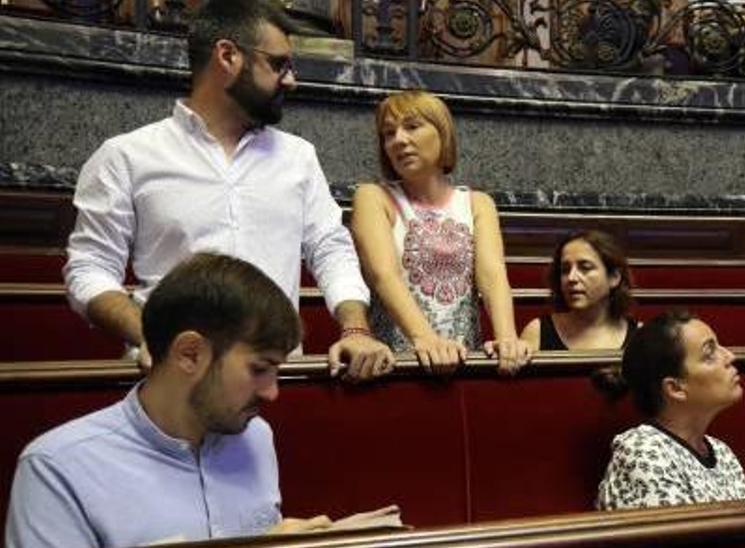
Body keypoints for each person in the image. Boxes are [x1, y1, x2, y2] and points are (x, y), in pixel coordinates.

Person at [61, 0, 393, 380]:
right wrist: (152, 336)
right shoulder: (127, 156)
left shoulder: (298, 157)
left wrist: (355, 329)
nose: (291, 80)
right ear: (227, 56)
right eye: (278, 64)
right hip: (173, 381)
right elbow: (90, 269)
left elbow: (330, 248)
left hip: (275, 379)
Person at [7, 253, 330, 547]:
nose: (272, 393)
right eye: (259, 369)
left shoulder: (255, 436)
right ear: (190, 354)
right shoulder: (58, 467)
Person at [350, 90, 531, 375]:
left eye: (411, 127)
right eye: (388, 133)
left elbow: (492, 276)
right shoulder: (372, 196)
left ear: (443, 133)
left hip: (465, 363)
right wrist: (426, 339)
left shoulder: (477, 202)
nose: (398, 140)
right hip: (398, 366)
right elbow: (383, 274)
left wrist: (507, 338)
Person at [595, 310, 745, 510]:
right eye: (709, 354)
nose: (729, 356)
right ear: (675, 388)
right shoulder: (643, 453)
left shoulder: (722, 453)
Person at [520, 230, 638, 351]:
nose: (571, 278)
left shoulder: (639, 336)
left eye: (585, 268)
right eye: (565, 270)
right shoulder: (537, 332)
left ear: (614, 278)